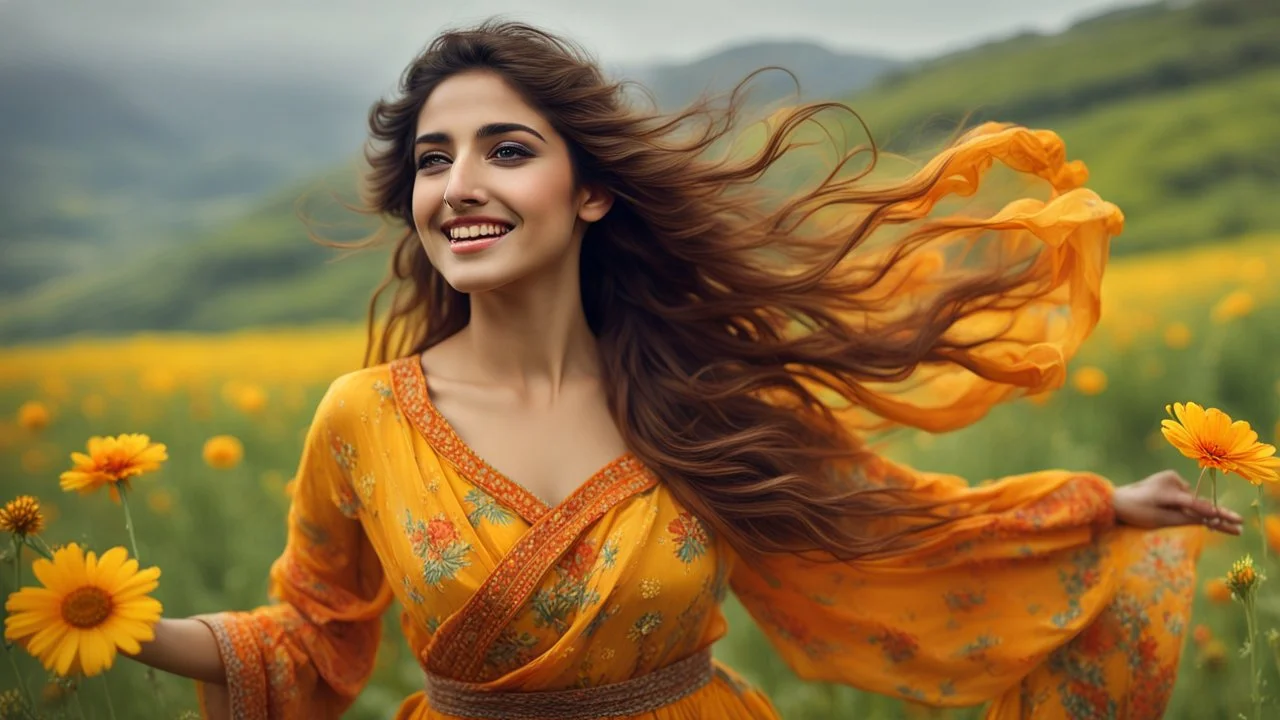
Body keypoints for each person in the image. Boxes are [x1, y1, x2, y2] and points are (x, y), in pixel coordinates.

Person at [132, 18, 1242, 720]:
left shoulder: (700, 392)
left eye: (504, 151)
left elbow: (899, 525)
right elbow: (314, 637)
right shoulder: (361, 417)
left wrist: (1099, 507)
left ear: (592, 191)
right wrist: (117, 622)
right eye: (434, 160)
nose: (457, 183)